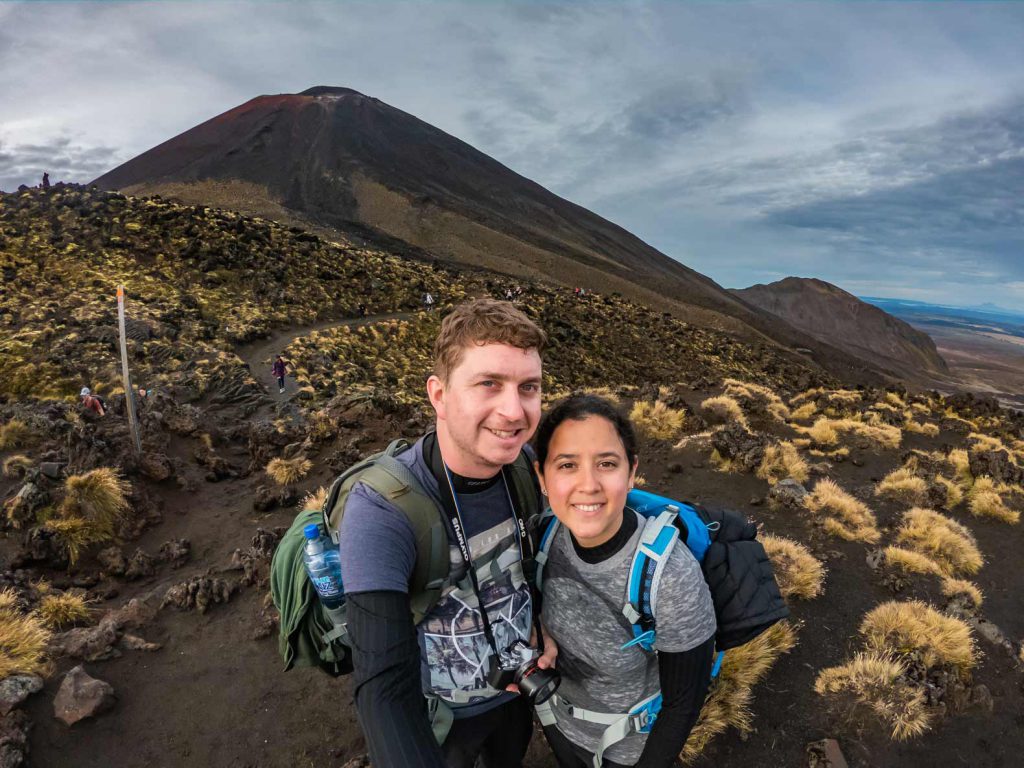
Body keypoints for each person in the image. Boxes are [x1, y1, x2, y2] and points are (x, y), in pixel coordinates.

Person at [338, 298, 554, 768]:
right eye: (489, 385)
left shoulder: (524, 468)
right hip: (440, 715)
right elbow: (384, 687)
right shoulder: (382, 510)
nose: (514, 411)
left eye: (529, 387)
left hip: (517, 690)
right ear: (438, 394)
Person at [532, 395, 716, 768]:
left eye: (607, 464)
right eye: (567, 465)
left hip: (628, 752)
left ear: (631, 472)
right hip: (556, 723)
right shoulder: (541, 538)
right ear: (542, 478)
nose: (589, 484)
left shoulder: (670, 575)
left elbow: (683, 701)